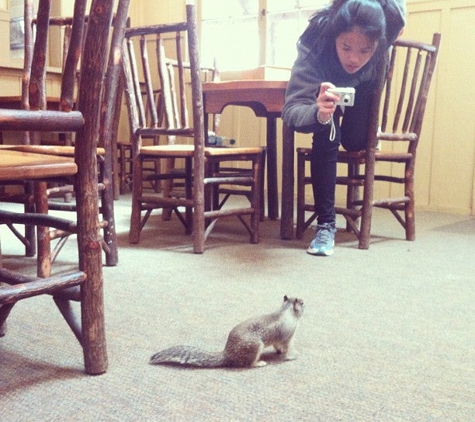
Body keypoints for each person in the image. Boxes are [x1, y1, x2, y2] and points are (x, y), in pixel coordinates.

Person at [282, 0, 406, 256]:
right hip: (323, 89)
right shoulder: (314, 43)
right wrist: (318, 113)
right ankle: (326, 225)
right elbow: (291, 110)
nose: (353, 58)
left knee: (354, 141)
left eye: (364, 50)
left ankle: (355, 128)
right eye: (346, 47)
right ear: (334, 36)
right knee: (326, 134)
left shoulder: (389, 26)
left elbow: (397, 15)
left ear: (380, 42)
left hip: (364, 87)